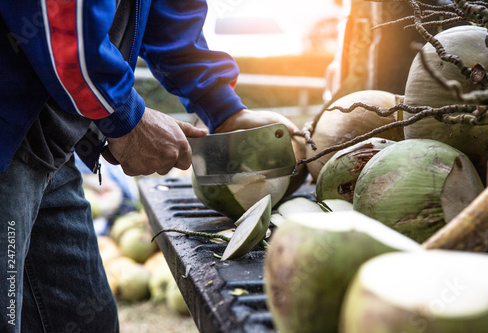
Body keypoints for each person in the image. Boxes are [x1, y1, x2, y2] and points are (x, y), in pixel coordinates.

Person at [0, 1, 297, 332]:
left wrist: (223, 108)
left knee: (87, 322)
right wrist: (125, 116)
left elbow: (170, 10)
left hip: (48, 145)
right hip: (7, 140)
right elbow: (59, 11)